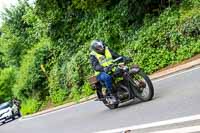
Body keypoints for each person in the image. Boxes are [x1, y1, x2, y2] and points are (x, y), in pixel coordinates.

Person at [90, 39, 131, 104]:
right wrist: (103, 68)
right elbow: (95, 66)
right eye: (99, 47)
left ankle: (128, 86)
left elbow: (117, 56)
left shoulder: (107, 49)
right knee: (107, 77)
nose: (101, 48)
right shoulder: (93, 55)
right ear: (95, 49)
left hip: (111, 68)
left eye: (101, 46)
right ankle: (113, 95)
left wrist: (124, 58)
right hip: (101, 73)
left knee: (123, 70)